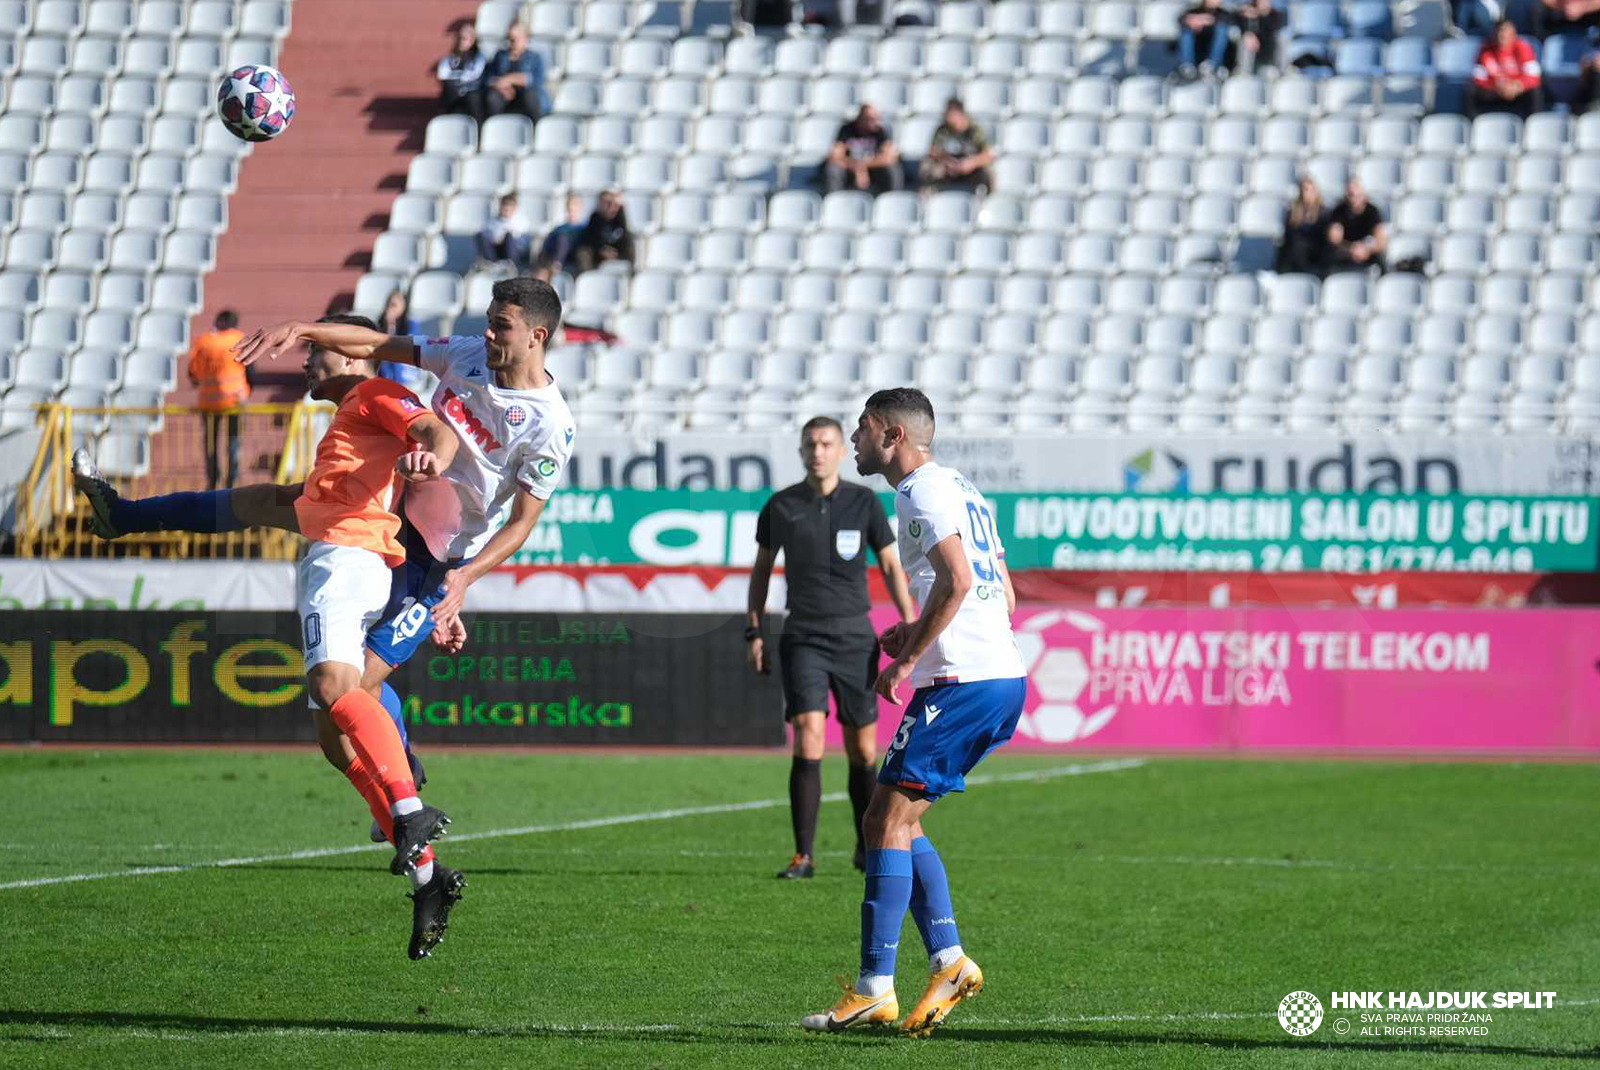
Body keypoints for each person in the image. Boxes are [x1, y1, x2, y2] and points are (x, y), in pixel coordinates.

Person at [77, 315, 469, 960]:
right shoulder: (346, 433)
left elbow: (430, 429)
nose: (307, 361)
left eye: (318, 350)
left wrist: (432, 454)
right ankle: (429, 873)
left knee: (333, 687)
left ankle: (406, 807)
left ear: (349, 355)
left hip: (348, 562)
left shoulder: (371, 394)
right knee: (330, 730)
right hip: (355, 558)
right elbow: (242, 506)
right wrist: (133, 517)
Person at [801, 388, 1026, 1038]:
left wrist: (908, 662)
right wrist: (916, 634)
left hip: (962, 683)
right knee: (899, 818)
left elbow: (958, 582)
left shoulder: (919, 493)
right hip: (996, 675)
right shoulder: (964, 490)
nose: (855, 440)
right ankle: (949, 961)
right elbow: (1002, 592)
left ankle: (875, 987)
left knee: (882, 819)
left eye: (863, 429)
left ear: (892, 434)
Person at [747, 417, 916, 880]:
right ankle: (803, 856)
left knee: (863, 748)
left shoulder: (863, 503)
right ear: (801, 451)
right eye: (810, 444)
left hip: (854, 638)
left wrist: (911, 624)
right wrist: (755, 630)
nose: (817, 451)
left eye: (826, 444)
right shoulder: (781, 506)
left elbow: (889, 566)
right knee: (809, 733)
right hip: (802, 636)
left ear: (841, 450)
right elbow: (761, 571)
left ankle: (867, 846)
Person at [187, 309, 248, 491]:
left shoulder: (204, 341)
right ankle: (232, 482)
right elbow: (251, 369)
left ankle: (213, 481)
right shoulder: (238, 339)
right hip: (234, 403)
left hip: (208, 403)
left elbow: (192, 373)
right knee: (233, 443)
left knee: (211, 445)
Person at [1469, 19, 1545, 119]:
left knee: (1535, 93)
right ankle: (1473, 123)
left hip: (1517, 92)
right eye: (1499, 31)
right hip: (1494, 91)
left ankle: (1533, 125)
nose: (1502, 35)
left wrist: (1518, 85)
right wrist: (1494, 86)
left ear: (1513, 34)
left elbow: (1534, 76)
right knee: (1470, 90)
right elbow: (1477, 77)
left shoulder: (1523, 47)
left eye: (1505, 31)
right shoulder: (1485, 49)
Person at [917, 99, 995, 196]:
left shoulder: (975, 130)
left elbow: (988, 155)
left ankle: (987, 197)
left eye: (953, 115)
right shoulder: (943, 130)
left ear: (961, 114)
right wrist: (947, 161)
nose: (950, 119)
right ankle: (929, 196)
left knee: (987, 170)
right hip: (949, 166)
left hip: (970, 168)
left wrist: (971, 163)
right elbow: (933, 151)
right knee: (927, 165)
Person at [825, 104, 904, 196]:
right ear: (860, 118)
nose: (874, 121)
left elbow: (889, 158)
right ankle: (834, 199)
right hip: (849, 169)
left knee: (893, 169)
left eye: (876, 118)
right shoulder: (846, 130)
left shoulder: (880, 131)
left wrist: (862, 166)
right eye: (869, 118)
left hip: (874, 169)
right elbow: (834, 157)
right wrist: (856, 167)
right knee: (833, 169)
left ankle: (891, 200)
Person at [484, 23, 548, 123]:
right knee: (492, 97)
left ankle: (537, 129)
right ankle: (496, 128)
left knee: (529, 96)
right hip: (505, 96)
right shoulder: (500, 55)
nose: (511, 42)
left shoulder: (535, 57)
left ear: (525, 39)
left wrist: (510, 79)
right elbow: (488, 77)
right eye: (509, 38)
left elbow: (538, 80)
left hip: (526, 96)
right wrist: (501, 87)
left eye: (515, 38)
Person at [1325, 178, 1388, 274]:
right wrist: (1350, 248)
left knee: (1381, 258)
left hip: (1367, 251)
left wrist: (1366, 249)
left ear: (1364, 195)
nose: (1353, 198)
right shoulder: (1339, 211)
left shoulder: (1372, 211)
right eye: (1350, 194)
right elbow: (1334, 238)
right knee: (1329, 256)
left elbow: (1381, 240)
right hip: (1346, 250)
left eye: (1357, 195)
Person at [1275, 176, 1330, 276]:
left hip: (1314, 254)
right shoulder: (1292, 213)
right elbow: (1287, 237)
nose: (1307, 193)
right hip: (1294, 256)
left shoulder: (1324, 213)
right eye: (1304, 190)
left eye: (1310, 190)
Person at [435, 21, 487, 125]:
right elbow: (442, 75)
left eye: (464, 39)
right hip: (453, 93)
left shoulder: (479, 58)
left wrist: (456, 80)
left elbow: (474, 75)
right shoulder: (449, 59)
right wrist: (458, 81)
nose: (460, 42)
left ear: (473, 41)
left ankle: (479, 132)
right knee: (448, 89)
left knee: (473, 98)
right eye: (459, 38)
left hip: (472, 92)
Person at [573, 190, 635, 275]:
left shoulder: (620, 220)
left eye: (615, 204)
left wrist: (614, 255)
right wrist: (601, 250)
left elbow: (625, 238)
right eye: (607, 203)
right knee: (583, 252)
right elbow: (588, 239)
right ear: (599, 205)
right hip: (598, 255)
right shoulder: (594, 219)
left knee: (631, 244)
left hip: (617, 254)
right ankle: (587, 278)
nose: (611, 207)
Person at [376, 290, 423, 391]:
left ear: (404, 306)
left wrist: (391, 327)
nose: (390, 308)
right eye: (389, 304)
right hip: (385, 376)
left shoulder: (411, 325)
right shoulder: (380, 324)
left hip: (405, 375)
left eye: (394, 305)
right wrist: (389, 325)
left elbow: (403, 346)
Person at [534, 194, 588, 279]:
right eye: (569, 210)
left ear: (580, 210)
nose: (571, 213)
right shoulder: (560, 228)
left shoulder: (584, 227)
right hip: (557, 257)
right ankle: (555, 265)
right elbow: (547, 245)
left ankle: (557, 264)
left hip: (576, 256)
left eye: (575, 210)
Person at [1177, 0, 1231, 80]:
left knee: (1222, 29)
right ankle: (1187, 65)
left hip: (1212, 48)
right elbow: (1180, 19)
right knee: (1186, 30)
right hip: (1196, 46)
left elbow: (1229, 20)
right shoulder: (1194, 10)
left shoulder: (1222, 12)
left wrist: (1206, 20)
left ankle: (1212, 64)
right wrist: (1191, 20)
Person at [477, 193, 532, 268]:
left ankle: (509, 265)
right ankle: (491, 263)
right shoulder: (493, 221)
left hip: (515, 252)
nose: (506, 209)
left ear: (515, 207)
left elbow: (521, 241)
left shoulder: (521, 221)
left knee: (508, 236)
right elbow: (488, 236)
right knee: (480, 235)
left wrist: (502, 238)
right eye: (504, 205)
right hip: (497, 250)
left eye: (509, 206)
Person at [1233, 0, 1283, 73]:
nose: (1265, 3)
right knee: (1247, 39)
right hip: (1251, 49)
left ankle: (1278, 71)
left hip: (1267, 50)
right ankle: (1244, 72)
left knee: (1282, 38)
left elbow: (1272, 31)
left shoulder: (1274, 14)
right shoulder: (1248, 12)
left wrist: (1262, 14)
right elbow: (1238, 25)